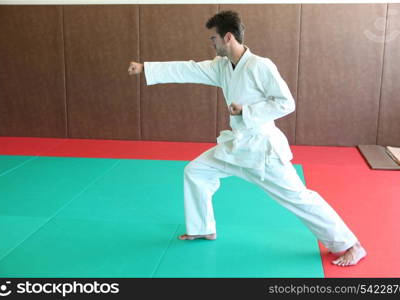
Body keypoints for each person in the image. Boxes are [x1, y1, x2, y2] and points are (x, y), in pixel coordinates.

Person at [128, 10, 366, 267]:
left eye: (213, 39)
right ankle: (202, 228)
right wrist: (146, 68)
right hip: (236, 146)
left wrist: (247, 111)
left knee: (298, 197)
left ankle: (349, 244)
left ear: (227, 37)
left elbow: (286, 103)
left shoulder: (260, 66)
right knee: (196, 171)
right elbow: (190, 69)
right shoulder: (221, 66)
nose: (212, 44)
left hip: (262, 150)